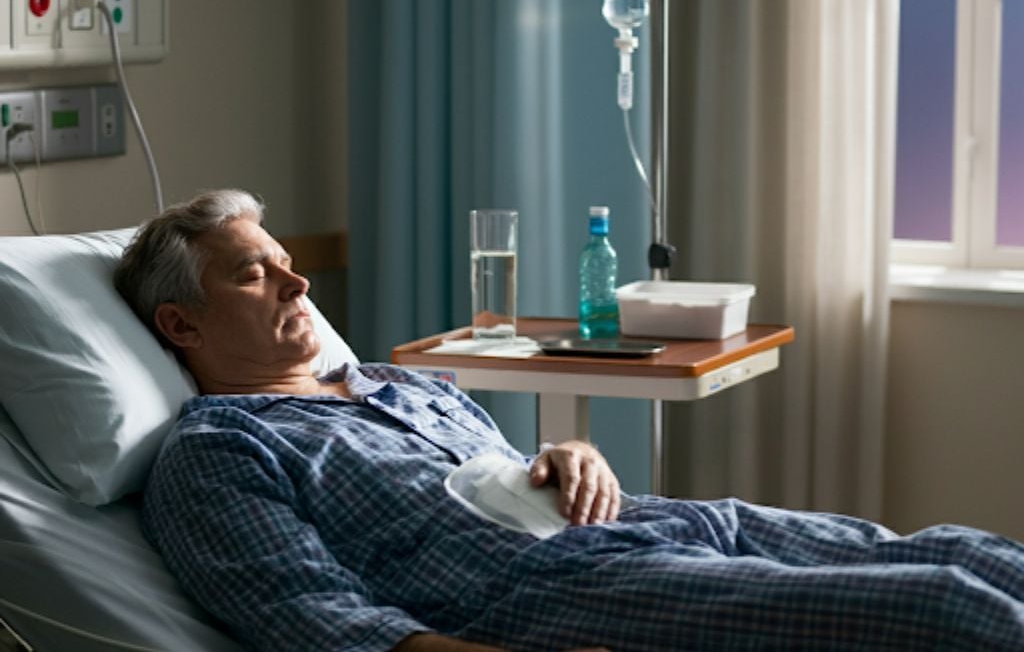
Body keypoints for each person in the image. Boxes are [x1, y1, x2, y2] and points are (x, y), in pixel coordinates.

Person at [117, 189, 1024, 652]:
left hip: (657, 523)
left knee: (968, 553)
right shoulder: (219, 449)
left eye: (285, 261)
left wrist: (573, 453)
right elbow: (314, 617)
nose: (299, 281)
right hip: (548, 592)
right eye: (255, 273)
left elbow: (501, 471)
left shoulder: (391, 382)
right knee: (943, 609)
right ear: (181, 324)